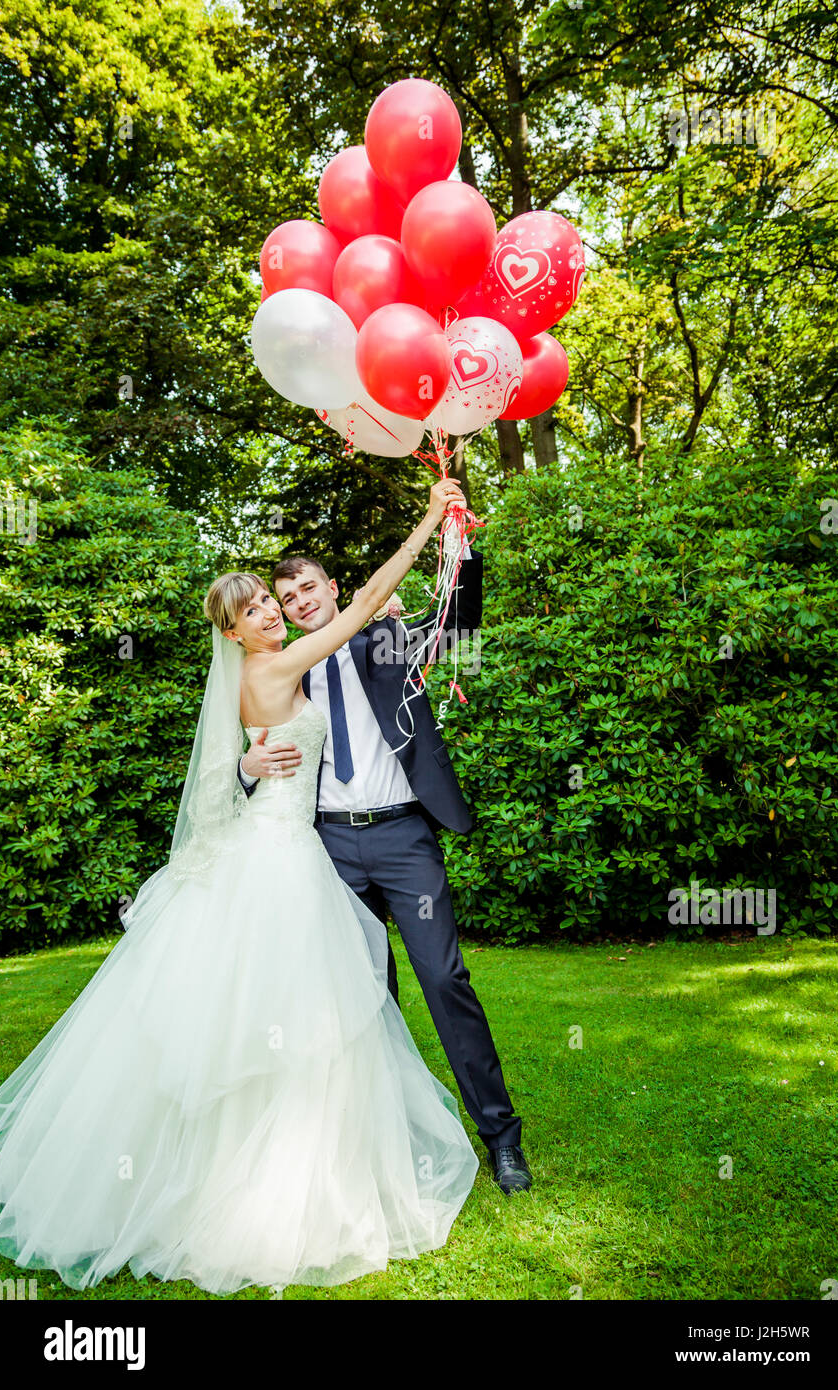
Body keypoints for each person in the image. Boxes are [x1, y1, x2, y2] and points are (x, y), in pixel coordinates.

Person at [0, 480, 480, 1296]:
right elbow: (361, 606)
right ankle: (271, 1181)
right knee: (302, 1014)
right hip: (285, 859)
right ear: (233, 630)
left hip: (288, 846)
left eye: (269, 601)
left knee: (284, 1014)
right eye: (254, 608)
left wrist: (253, 763)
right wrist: (432, 521)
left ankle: (289, 1154)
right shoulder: (277, 663)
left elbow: (233, 764)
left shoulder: (258, 676)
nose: (270, 613)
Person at [238, 487, 531, 1196]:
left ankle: (501, 1137)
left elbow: (460, 626)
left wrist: (456, 536)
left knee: (444, 980)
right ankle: (387, 1139)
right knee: (361, 997)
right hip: (327, 850)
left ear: (333, 589)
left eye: (309, 587)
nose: (299, 600)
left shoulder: (387, 633)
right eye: (287, 595)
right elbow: (246, 752)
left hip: (402, 836)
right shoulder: (283, 665)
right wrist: (246, 767)